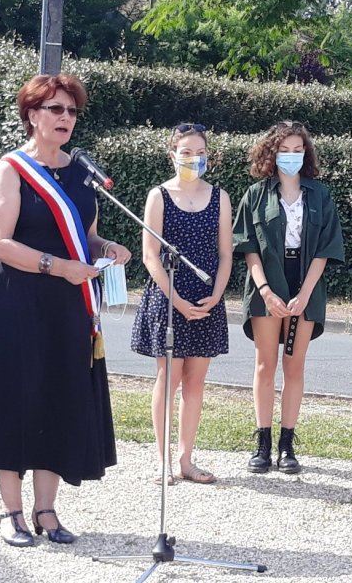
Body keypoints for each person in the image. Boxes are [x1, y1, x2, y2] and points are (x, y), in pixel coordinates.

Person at [0, 74, 131, 547]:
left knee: (58, 395)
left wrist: (108, 247)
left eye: (72, 111)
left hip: (67, 304)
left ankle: (46, 511)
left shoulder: (81, 175)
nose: (65, 119)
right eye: (55, 109)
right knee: (15, 397)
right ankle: (11, 513)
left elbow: (87, 236)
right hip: (19, 299)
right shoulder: (12, 170)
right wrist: (57, 267)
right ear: (32, 115)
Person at [233, 121, 344, 475]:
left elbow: (325, 250)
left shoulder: (320, 195)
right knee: (265, 365)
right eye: (285, 151)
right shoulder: (255, 194)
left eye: (298, 151)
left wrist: (305, 294)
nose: (292, 157)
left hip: (305, 287)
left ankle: (287, 445)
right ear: (272, 152)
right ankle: (262, 444)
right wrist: (265, 290)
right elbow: (248, 248)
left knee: (293, 367)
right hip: (268, 284)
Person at [130, 124, 232, 485]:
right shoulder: (158, 196)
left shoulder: (220, 197)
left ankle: (186, 459)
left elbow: (225, 254)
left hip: (206, 300)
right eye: (186, 152)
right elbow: (149, 255)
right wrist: (177, 300)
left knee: (196, 383)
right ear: (172, 154)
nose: (193, 159)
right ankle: (162, 461)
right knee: (168, 378)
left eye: (200, 152)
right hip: (168, 298)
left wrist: (217, 295)